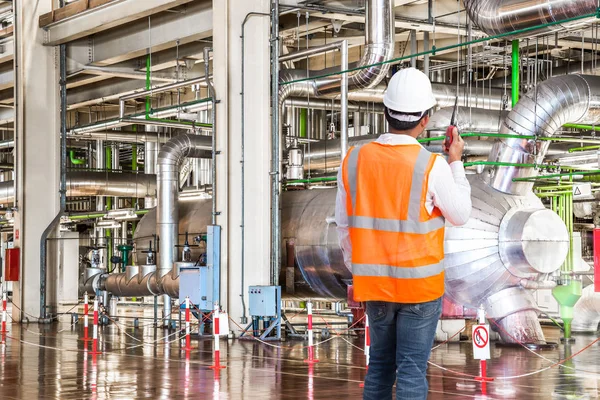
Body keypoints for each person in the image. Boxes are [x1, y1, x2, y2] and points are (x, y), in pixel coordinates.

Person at [335, 67, 473, 400]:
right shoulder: (431, 165)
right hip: (419, 289)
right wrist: (455, 161)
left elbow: (343, 225)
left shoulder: (352, 160)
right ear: (425, 119)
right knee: (411, 369)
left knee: (379, 365)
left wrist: (360, 268)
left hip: (375, 286)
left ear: (385, 113)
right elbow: (460, 214)